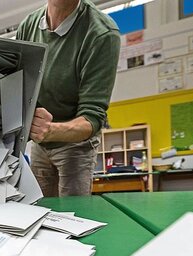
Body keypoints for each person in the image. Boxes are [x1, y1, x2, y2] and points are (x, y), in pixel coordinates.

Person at [17, 0, 120, 196]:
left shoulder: (101, 34)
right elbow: (17, 84)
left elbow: (92, 118)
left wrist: (50, 130)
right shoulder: (28, 26)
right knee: (39, 205)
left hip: (76, 143)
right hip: (40, 141)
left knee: (74, 209)